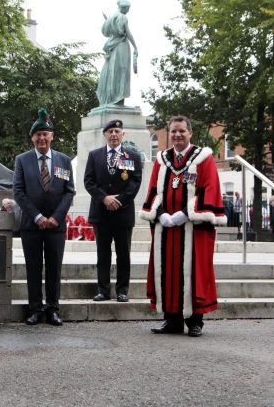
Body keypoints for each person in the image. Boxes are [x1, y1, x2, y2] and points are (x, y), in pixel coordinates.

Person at [140, 115, 226, 337]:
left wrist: (184, 214)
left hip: (193, 229)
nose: (177, 135)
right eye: (173, 132)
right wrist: (160, 214)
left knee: (194, 271)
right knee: (167, 270)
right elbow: (153, 190)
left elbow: (209, 189)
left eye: (182, 131)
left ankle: (195, 321)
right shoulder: (162, 159)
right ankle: (172, 320)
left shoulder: (203, 158)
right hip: (166, 228)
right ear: (168, 134)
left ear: (190, 133)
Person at [13, 108, 75, 326]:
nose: (41, 138)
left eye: (45, 134)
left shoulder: (64, 161)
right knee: (33, 269)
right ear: (32, 138)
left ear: (52, 136)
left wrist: (56, 217)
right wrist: (38, 216)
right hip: (32, 225)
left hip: (56, 226)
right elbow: (18, 191)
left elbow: (69, 190)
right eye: (37, 134)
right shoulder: (22, 160)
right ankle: (35, 309)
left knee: (54, 269)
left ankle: (53, 309)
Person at [84, 119, 142, 303]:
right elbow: (89, 181)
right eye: (110, 132)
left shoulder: (133, 156)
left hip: (123, 213)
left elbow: (135, 182)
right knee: (103, 254)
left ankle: (122, 290)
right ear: (105, 135)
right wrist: (104, 198)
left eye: (117, 131)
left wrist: (118, 200)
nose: (114, 135)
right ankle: (103, 290)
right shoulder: (94, 156)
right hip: (101, 213)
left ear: (123, 134)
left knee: (123, 254)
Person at [96, 0, 138, 107]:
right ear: (124, 7)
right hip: (121, 46)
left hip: (112, 46)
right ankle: (118, 101)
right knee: (121, 72)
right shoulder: (122, 17)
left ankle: (109, 99)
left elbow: (105, 32)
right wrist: (135, 47)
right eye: (128, 9)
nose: (128, 11)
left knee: (111, 72)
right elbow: (127, 33)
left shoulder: (110, 19)